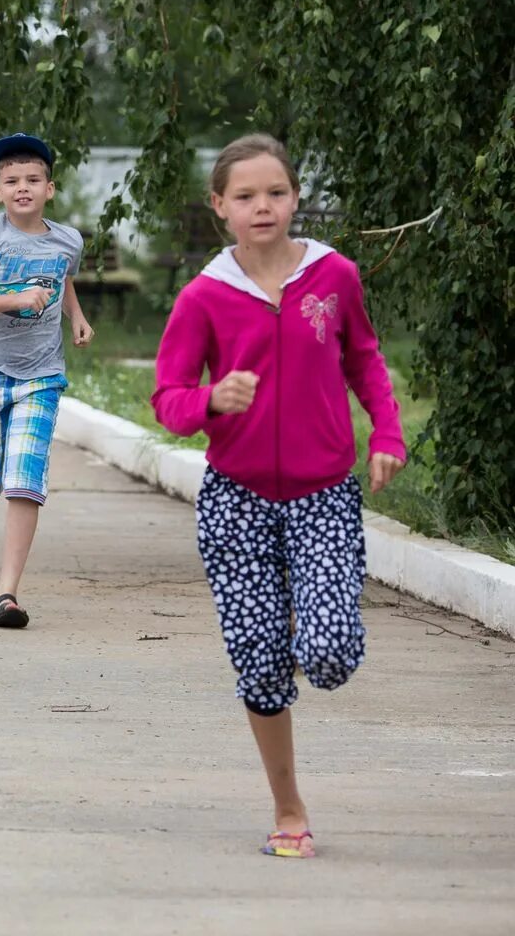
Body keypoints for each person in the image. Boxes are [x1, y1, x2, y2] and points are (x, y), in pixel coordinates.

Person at [153, 132, 404, 861]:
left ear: (295, 198)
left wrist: (387, 434)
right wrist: (210, 402)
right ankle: (289, 809)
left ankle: (303, 618)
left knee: (327, 654)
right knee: (261, 668)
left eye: (275, 193)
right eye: (244, 196)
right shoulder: (203, 297)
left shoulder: (335, 277)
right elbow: (166, 399)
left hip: (324, 493)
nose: (261, 206)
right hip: (236, 501)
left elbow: (365, 358)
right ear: (219, 207)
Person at [0, 134, 95, 628]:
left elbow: (63, 277)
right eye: (12, 181)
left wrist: (76, 316)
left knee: (25, 478)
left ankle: (6, 593)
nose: (23, 188)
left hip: (42, 375)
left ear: (50, 188)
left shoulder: (67, 239)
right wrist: (14, 299)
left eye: (33, 180)